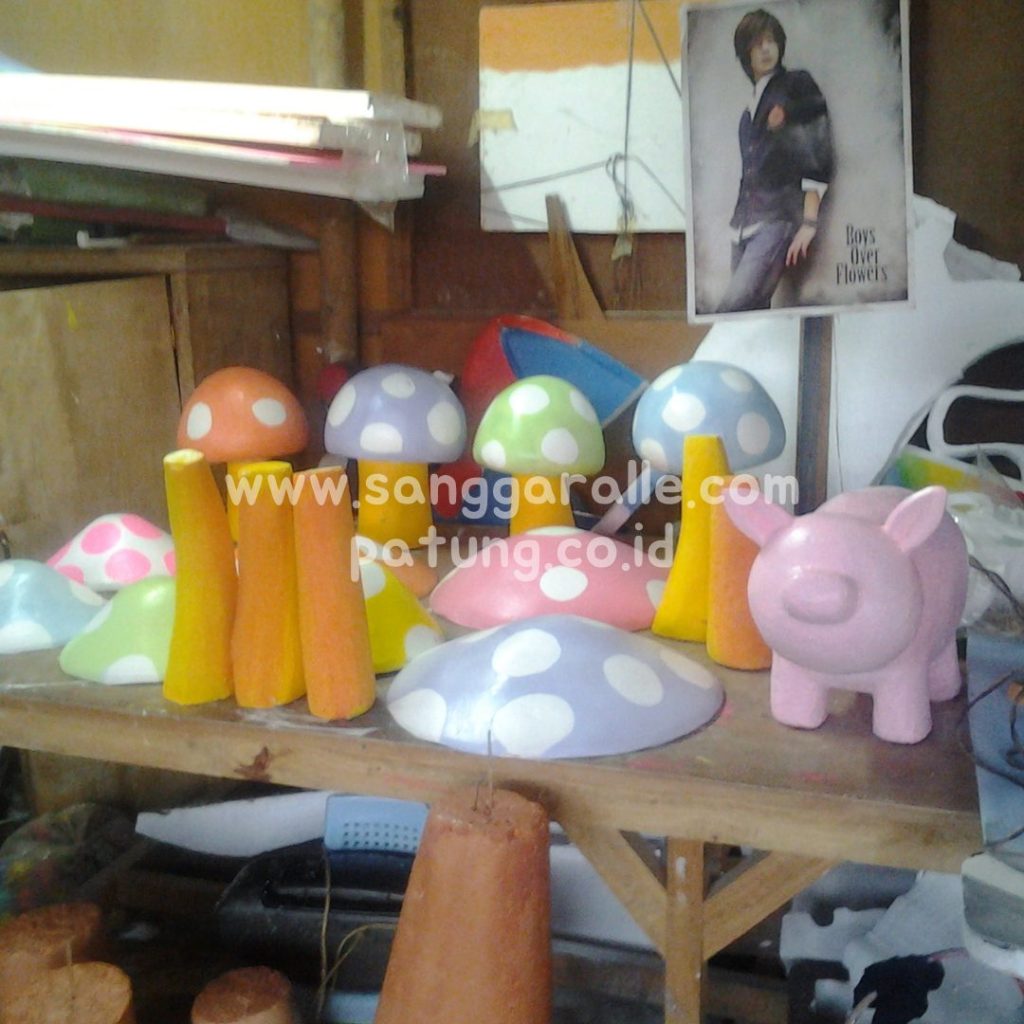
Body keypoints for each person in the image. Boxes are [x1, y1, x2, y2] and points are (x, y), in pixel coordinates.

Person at [716, 8, 834, 313]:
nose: (766, 48)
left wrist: (809, 223)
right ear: (745, 52)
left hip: (775, 222)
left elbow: (816, 151)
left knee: (731, 309)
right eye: (757, 43)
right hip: (740, 228)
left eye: (771, 41)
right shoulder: (748, 111)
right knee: (751, 317)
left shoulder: (796, 84)